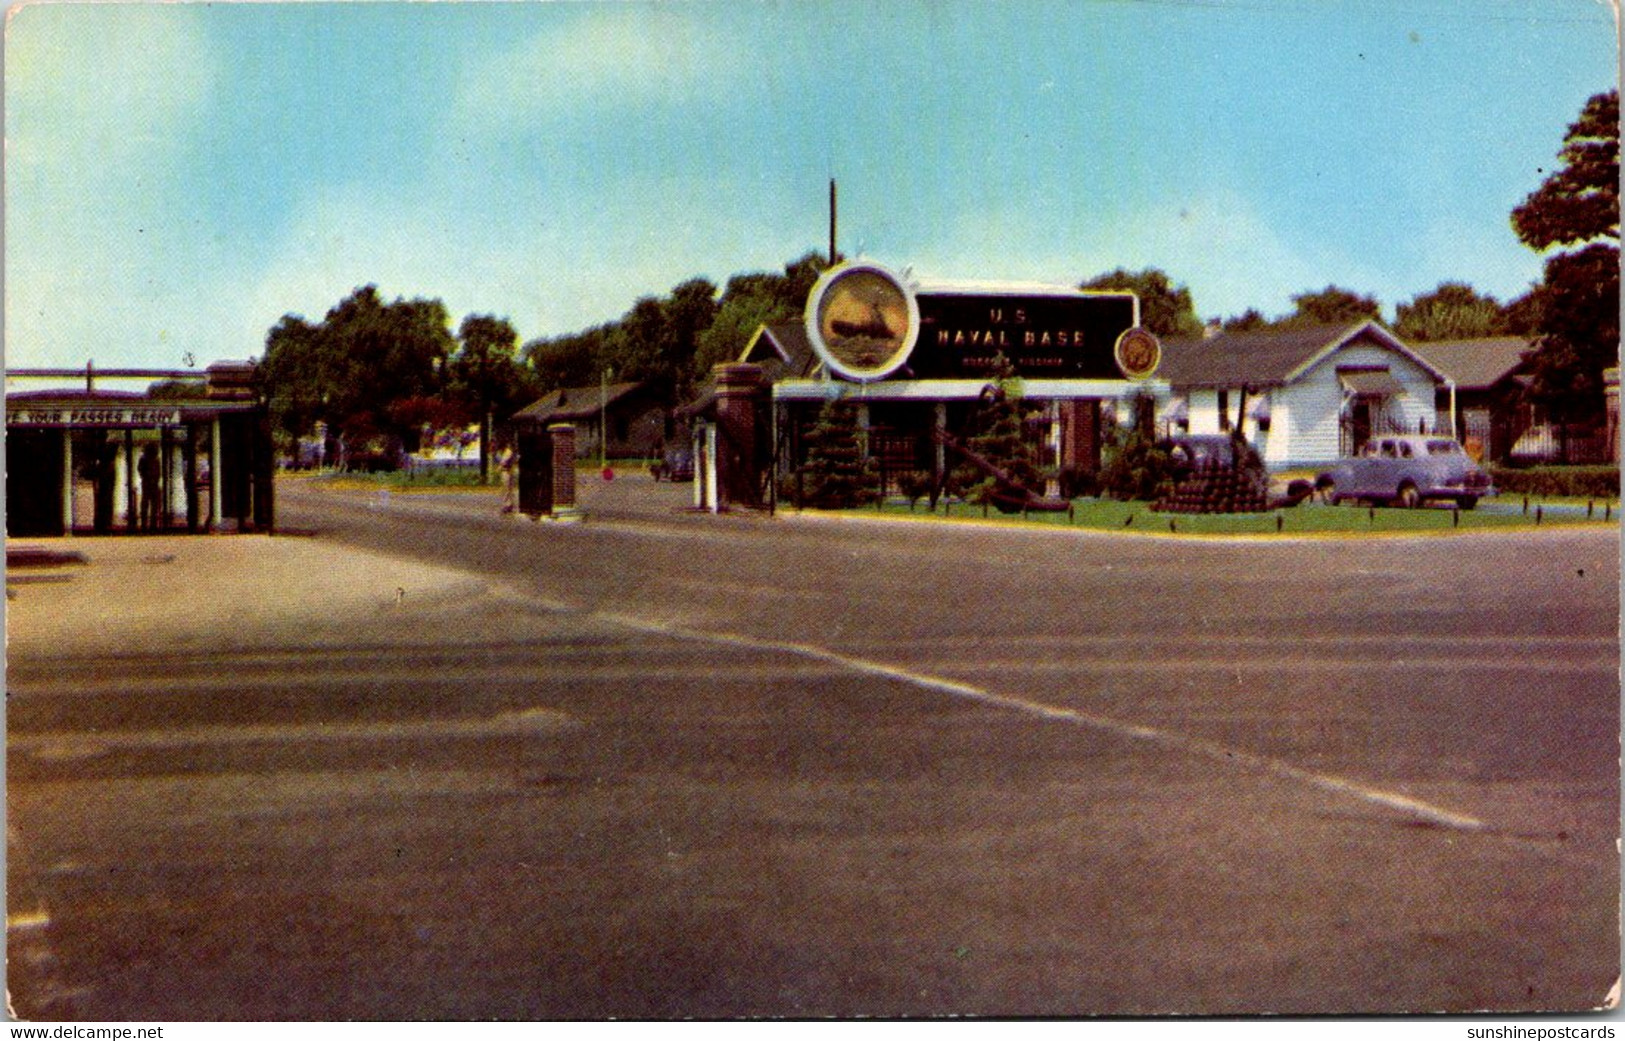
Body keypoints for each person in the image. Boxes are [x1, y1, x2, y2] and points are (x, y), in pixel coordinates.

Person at [137, 444, 161, 531]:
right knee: (151, 504)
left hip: (148, 483)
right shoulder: (154, 460)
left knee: (147, 504)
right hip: (150, 483)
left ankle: (146, 524)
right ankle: (151, 524)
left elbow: (140, 469)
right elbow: (158, 472)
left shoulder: (144, 459)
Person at [498, 444, 517, 514]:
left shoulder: (507, 452)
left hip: (506, 472)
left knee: (506, 489)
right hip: (509, 471)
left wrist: (499, 468)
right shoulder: (510, 452)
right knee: (509, 489)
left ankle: (507, 505)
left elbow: (503, 462)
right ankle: (510, 504)